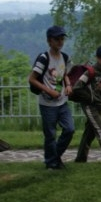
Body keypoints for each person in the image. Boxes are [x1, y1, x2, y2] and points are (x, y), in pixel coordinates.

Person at [28, 26, 74, 170]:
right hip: (47, 104)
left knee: (70, 129)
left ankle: (53, 158)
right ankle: (52, 163)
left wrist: (68, 85)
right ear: (49, 41)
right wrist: (49, 91)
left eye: (62, 39)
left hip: (62, 102)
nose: (60, 42)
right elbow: (32, 79)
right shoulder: (44, 58)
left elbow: (65, 73)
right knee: (50, 135)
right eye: (57, 39)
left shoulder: (65, 57)